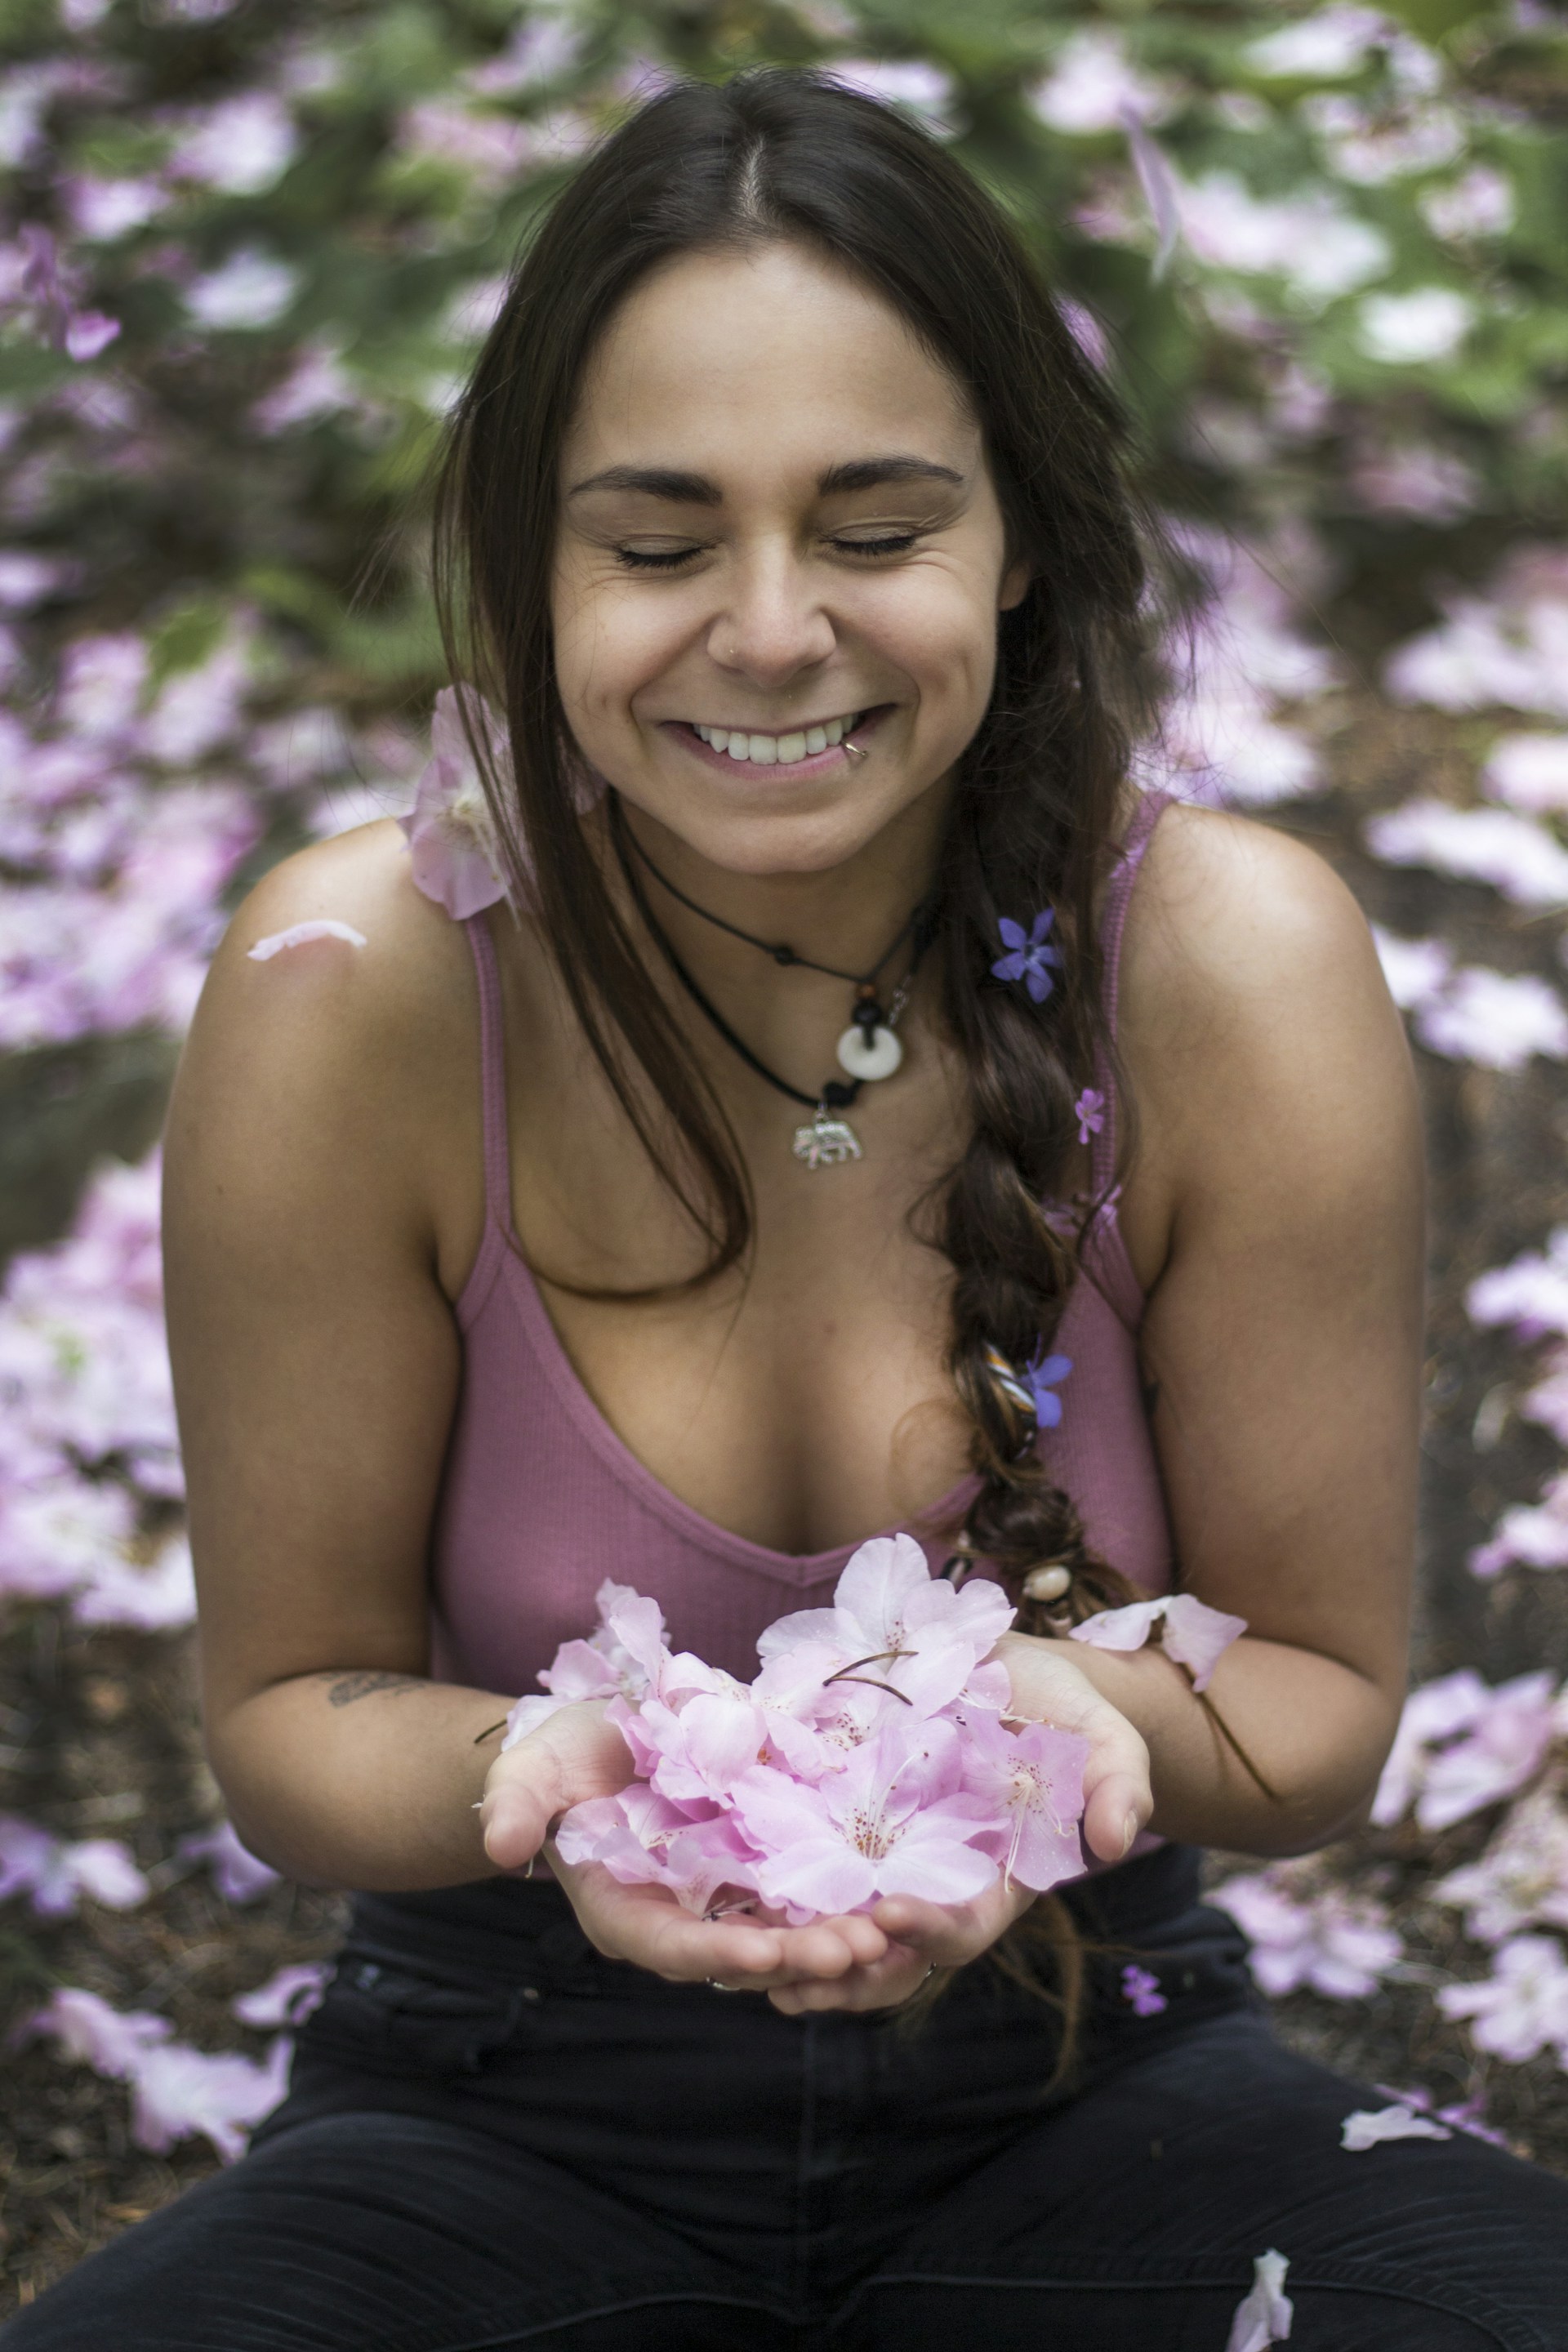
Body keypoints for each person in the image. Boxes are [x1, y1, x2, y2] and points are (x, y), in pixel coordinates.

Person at [11, 66, 1568, 2352]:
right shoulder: (352, 986)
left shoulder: (1227, 965)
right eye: (655, 543)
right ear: (534, 558)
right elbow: (285, 1706)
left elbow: (1318, 1699)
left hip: (1095, 2086)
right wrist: (547, 1775)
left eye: (873, 527)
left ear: (1016, 537)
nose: (766, 631)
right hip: (492, 2109)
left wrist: (1059, 1737)